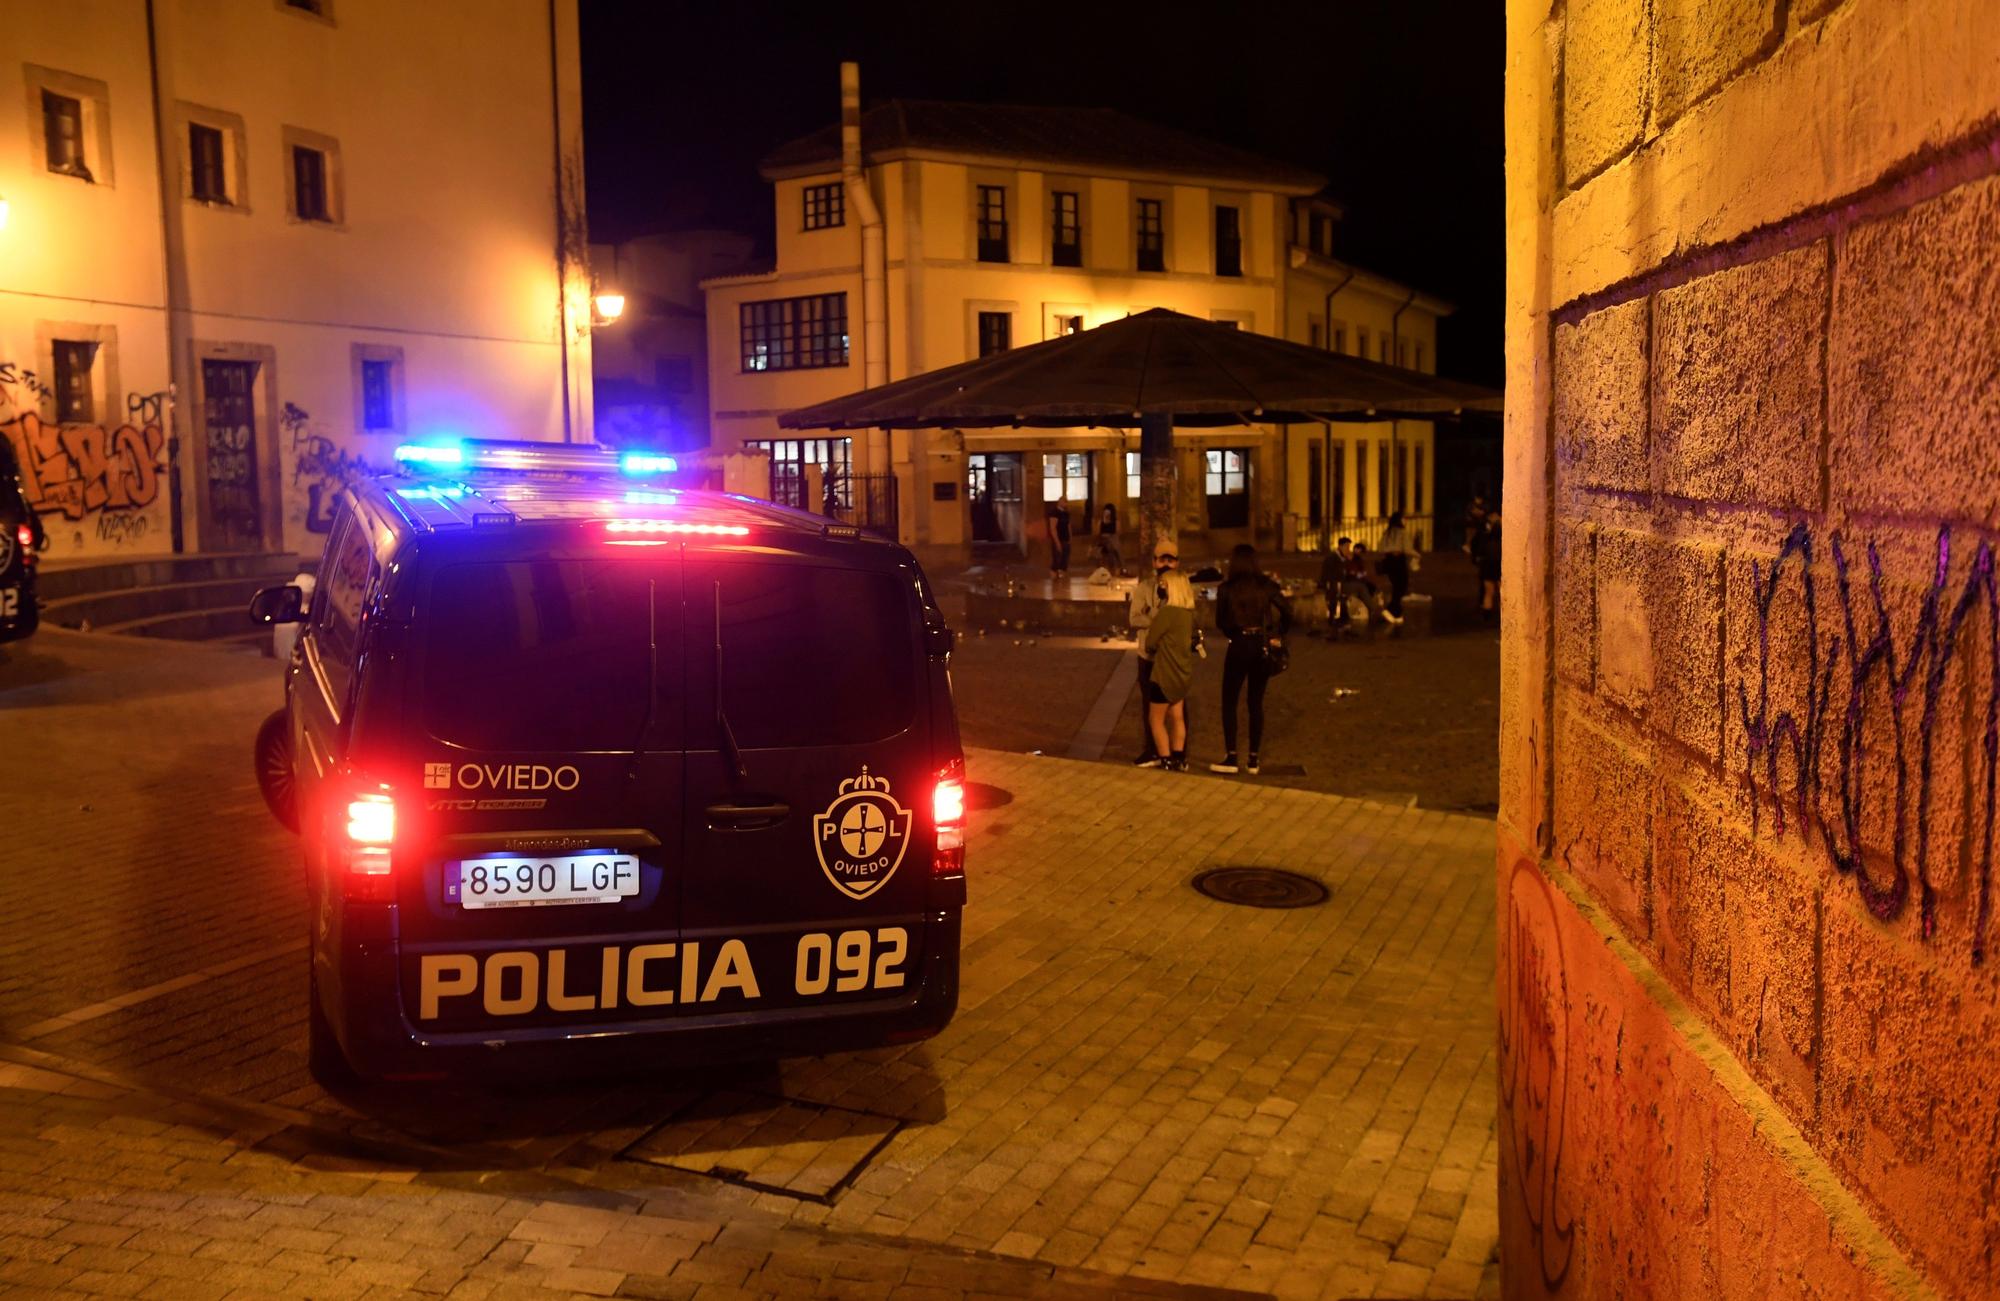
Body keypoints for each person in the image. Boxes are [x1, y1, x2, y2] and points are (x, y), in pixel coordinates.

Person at [1211, 545, 1290, 775]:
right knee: (1255, 702)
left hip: (1239, 644)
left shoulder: (1226, 589)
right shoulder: (1265, 586)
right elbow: (1288, 611)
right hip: (1261, 645)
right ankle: (1253, 759)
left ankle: (1232, 756)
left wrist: (1234, 633)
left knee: (1230, 701)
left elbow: (1221, 622)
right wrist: (1278, 632)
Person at [1128, 542, 1179, 766]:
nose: (1165, 564)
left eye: (1170, 560)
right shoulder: (1144, 588)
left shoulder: (1182, 589)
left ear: (1177, 562)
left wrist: (1154, 618)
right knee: (1148, 705)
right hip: (1148, 656)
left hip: (1172, 657)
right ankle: (1153, 751)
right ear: (1154, 562)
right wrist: (1158, 619)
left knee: (1177, 708)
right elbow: (1134, 618)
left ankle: (1178, 754)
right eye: (1161, 559)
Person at [1142, 569, 1198, 771]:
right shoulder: (1187, 615)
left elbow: (1150, 642)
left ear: (1172, 588)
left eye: (1163, 584)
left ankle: (1165, 759)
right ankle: (1179, 757)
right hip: (1182, 674)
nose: (1160, 587)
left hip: (1164, 674)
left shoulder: (1166, 613)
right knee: (1177, 717)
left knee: (1155, 719)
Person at [1318, 535, 1383, 634]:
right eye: (1347, 547)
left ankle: (1371, 610)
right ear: (1341, 546)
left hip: (1341, 583)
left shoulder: (1341, 557)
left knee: (1363, 586)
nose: (1349, 550)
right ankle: (1373, 610)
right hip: (1335, 585)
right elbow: (1331, 575)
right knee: (1360, 587)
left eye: (1349, 547)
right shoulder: (1333, 558)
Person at [1375, 512, 1416, 626]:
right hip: (1399, 561)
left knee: (1396, 587)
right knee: (1401, 586)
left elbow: (1380, 548)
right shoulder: (1402, 533)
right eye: (1404, 518)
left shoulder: (1387, 533)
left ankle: (1397, 613)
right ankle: (1391, 610)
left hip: (1389, 561)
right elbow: (1407, 548)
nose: (1405, 521)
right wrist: (1417, 555)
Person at [1473, 509, 1503, 623]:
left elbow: (1477, 547)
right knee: (1501, 590)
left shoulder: (1485, 537)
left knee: (1488, 591)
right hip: (1498, 563)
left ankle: (1486, 615)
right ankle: (1503, 614)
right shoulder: (1501, 540)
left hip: (1487, 564)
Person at [1095, 503, 1123, 576]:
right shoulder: (1100, 522)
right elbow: (1097, 533)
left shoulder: (1116, 522)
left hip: (1112, 541)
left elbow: (1118, 532)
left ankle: (1117, 568)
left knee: (1115, 551)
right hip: (1103, 542)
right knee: (1102, 555)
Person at [1045, 502, 1072, 579]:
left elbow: (1068, 526)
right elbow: (1053, 528)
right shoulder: (1055, 513)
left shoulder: (1066, 513)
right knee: (1057, 558)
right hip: (1059, 538)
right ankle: (1054, 575)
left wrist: (1070, 537)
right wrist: (1057, 541)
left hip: (1065, 538)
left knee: (1065, 558)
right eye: (1064, 501)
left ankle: (1061, 574)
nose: (1066, 503)